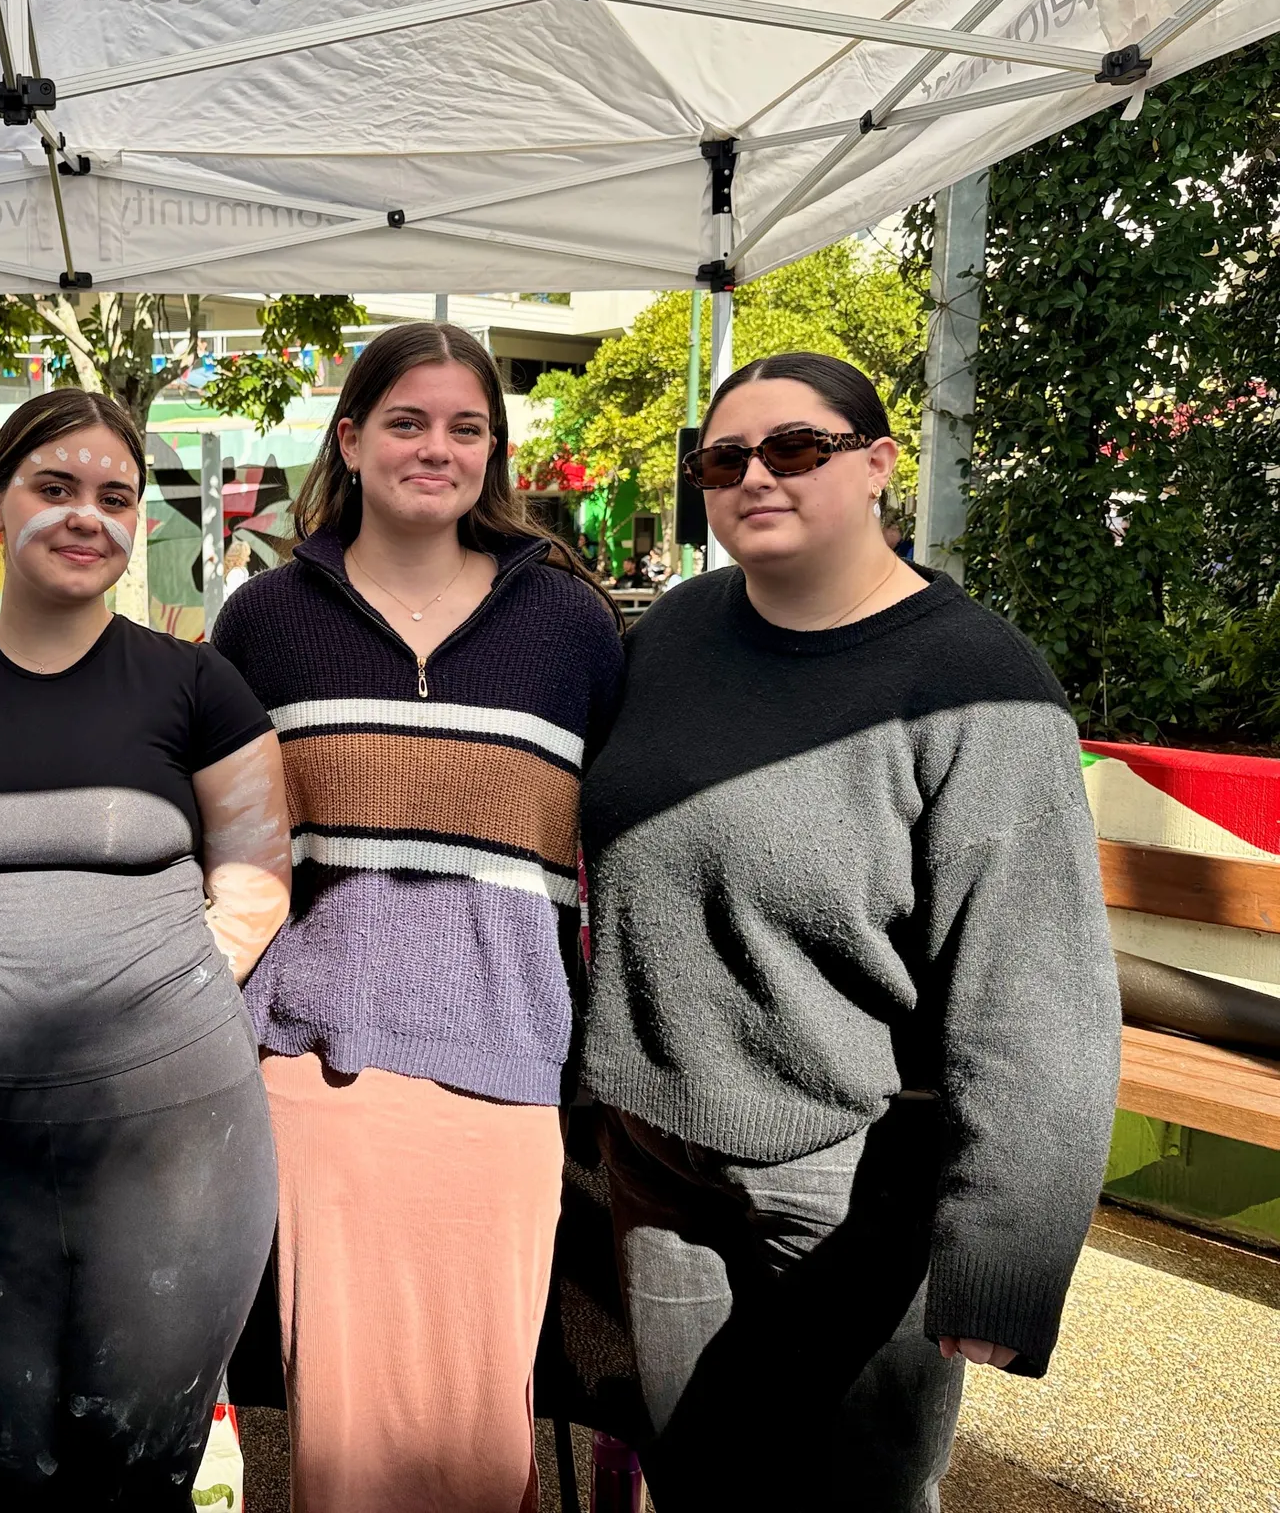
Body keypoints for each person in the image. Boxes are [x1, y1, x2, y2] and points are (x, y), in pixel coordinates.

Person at [577, 352, 1118, 1510]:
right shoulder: (675, 632)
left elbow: (1037, 994)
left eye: (797, 448)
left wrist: (1002, 1264)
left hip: (854, 1182)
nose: (756, 476)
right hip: (658, 1163)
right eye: (725, 457)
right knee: (702, 1479)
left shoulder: (977, 685)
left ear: (878, 465)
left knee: (861, 1494)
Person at [0, 387, 292, 1509]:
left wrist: (168, 1004)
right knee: (10, 1462)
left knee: (145, 1470)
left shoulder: (196, 683)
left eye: (115, 496)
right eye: (54, 488)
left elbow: (253, 868)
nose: (86, 515)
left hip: (176, 1132)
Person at [209, 323, 624, 1513]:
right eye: (405, 420)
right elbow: (227, 851)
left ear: (495, 452)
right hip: (316, 1070)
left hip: (508, 1065)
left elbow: (620, 846)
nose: (434, 448)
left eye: (465, 427)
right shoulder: (267, 622)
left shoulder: (571, 627)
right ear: (350, 437)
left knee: (485, 1430)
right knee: (344, 1437)